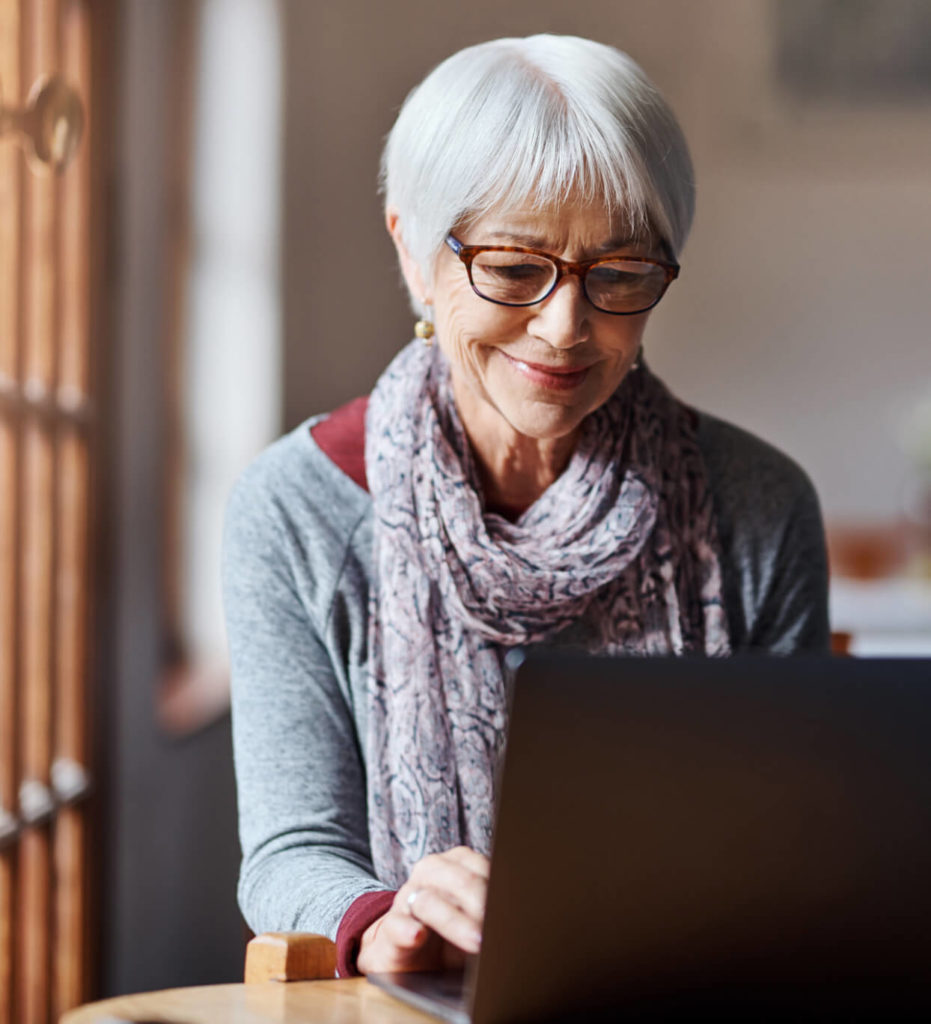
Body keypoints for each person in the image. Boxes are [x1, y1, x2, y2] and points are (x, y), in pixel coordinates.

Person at [223, 34, 829, 980]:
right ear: (418, 259)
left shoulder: (759, 507)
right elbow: (292, 849)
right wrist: (385, 918)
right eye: (512, 269)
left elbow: (792, 839)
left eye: (620, 273)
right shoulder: (294, 506)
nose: (564, 327)